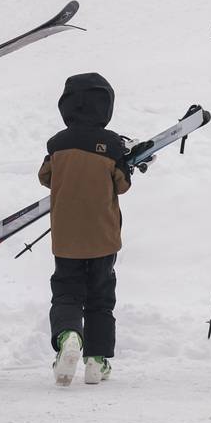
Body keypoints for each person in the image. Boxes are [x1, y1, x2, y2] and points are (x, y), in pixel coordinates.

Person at [38, 73, 131, 386]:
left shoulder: (57, 144)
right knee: (100, 296)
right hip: (103, 236)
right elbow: (122, 184)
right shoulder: (112, 145)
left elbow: (45, 176)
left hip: (66, 237)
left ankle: (69, 335)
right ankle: (96, 359)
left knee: (66, 292)